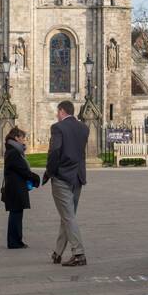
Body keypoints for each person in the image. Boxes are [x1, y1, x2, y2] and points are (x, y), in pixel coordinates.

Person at [43, 100, 88, 266]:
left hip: (62, 176)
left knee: (68, 216)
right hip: (78, 177)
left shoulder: (58, 128)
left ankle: (79, 253)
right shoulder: (84, 127)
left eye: (57, 112)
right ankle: (58, 252)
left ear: (62, 111)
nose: (57, 115)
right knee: (68, 215)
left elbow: (55, 151)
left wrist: (49, 172)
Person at [0, 126, 41, 249]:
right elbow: (22, 169)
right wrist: (35, 177)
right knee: (16, 215)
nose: (24, 140)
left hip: (16, 187)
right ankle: (14, 242)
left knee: (17, 214)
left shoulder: (14, 150)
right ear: (16, 138)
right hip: (15, 188)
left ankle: (16, 240)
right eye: (23, 138)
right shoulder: (13, 152)